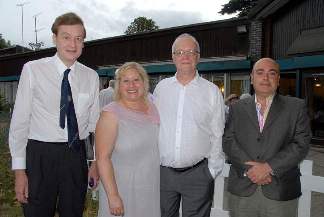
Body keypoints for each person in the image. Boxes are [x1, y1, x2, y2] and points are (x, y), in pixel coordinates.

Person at [8, 12, 99, 217]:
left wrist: (94, 163)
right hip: (40, 155)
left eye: (78, 38)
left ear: (84, 43)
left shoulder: (90, 76)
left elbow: (94, 125)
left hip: (75, 156)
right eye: (66, 37)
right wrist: (20, 172)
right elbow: (20, 123)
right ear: (54, 39)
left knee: (73, 212)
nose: (72, 44)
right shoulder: (33, 70)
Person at [223, 58, 312, 217]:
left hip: (280, 192)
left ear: (278, 80)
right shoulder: (236, 108)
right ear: (252, 78)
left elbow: (301, 143)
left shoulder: (296, 107)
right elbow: (228, 141)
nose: (265, 78)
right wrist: (250, 168)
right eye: (260, 72)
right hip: (242, 190)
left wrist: (268, 167)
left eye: (272, 73)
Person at [153, 33, 225, 217]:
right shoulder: (161, 89)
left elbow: (217, 133)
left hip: (198, 174)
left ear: (198, 57)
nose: (185, 56)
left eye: (190, 52)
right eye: (180, 52)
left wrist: (211, 170)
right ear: (173, 57)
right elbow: (154, 126)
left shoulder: (211, 91)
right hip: (164, 174)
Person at [96, 62, 160, 217]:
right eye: (126, 81)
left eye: (136, 80)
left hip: (150, 187)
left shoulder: (153, 107)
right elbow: (102, 158)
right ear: (119, 85)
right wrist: (113, 196)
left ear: (144, 82)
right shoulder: (110, 113)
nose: (132, 85)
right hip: (121, 189)